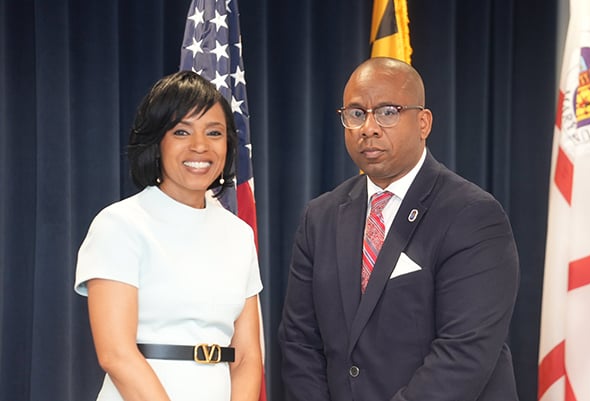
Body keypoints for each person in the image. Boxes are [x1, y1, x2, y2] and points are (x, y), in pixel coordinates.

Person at [278, 57, 520, 401]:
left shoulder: (473, 215)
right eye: (356, 114)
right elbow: (299, 341)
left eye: (388, 112)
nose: (369, 127)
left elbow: (463, 354)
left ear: (423, 123)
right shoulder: (320, 217)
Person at [74, 70, 263, 401]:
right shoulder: (119, 224)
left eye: (214, 132)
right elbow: (115, 354)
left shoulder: (239, 234)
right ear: (156, 142)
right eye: (181, 131)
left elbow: (247, 356)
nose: (200, 146)